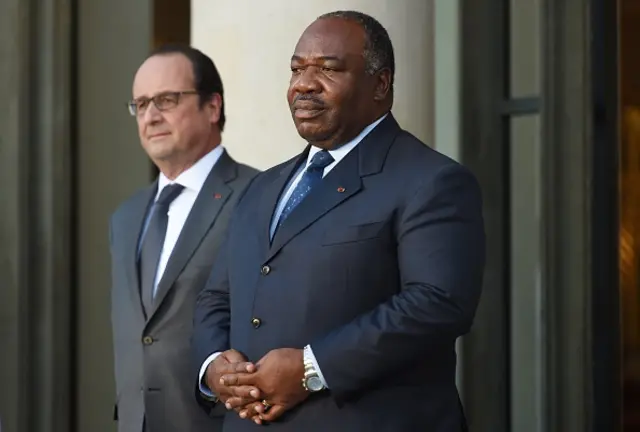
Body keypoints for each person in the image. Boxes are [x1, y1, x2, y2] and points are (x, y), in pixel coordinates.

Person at [192, 10, 485, 432]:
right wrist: (214, 369)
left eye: (328, 69)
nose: (304, 84)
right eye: (296, 69)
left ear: (380, 84)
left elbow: (437, 303)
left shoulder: (432, 180)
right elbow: (216, 298)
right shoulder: (262, 188)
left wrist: (311, 369)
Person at [109, 44, 258, 432]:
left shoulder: (257, 195)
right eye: (140, 104)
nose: (151, 116)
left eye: (167, 100)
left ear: (213, 107)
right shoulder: (124, 217)